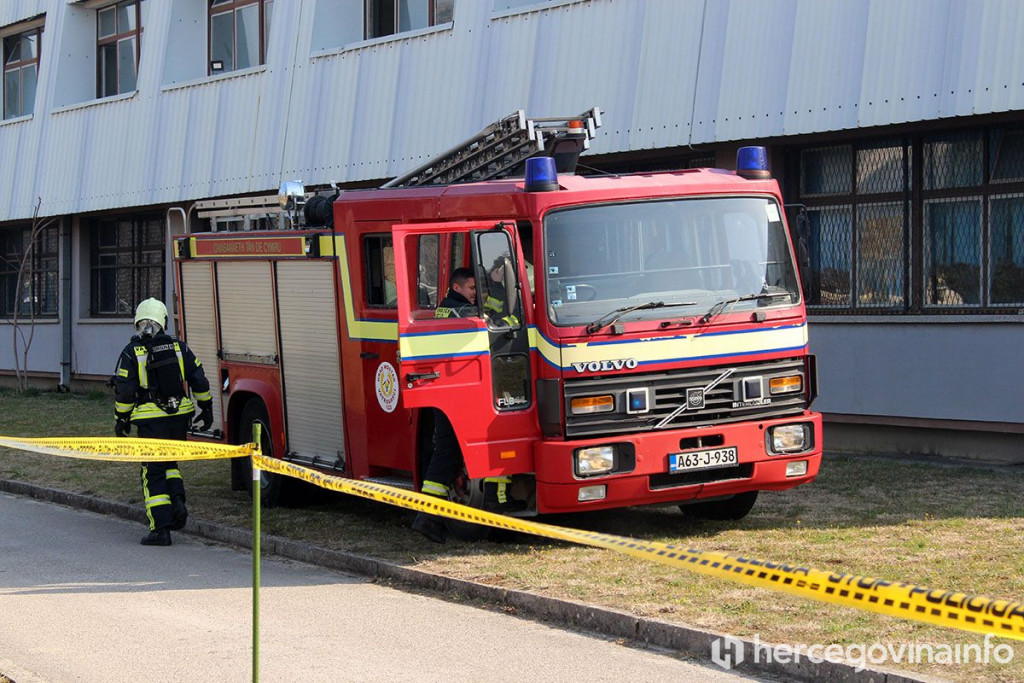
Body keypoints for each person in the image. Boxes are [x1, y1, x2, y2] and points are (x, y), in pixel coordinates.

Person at [411, 268, 521, 544]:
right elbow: (496, 323)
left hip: (452, 391)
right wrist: (502, 292)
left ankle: (430, 517)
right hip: (459, 392)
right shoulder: (457, 312)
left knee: (447, 454)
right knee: (466, 448)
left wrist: (495, 289)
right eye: (472, 288)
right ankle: (488, 514)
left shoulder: (453, 307)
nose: (476, 293)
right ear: (457, 287)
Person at [113, 298, 213, 546]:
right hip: (180, 418)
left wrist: (121, 419)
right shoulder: (179, 348)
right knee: (170, 462)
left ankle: (160, 529)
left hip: (150, 421)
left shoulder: (131, 352)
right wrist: (207, 406)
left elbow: (125, 391)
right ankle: (177, 502)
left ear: (138, 322)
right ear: (163, 321)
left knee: (152, 470)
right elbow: (199, 378)